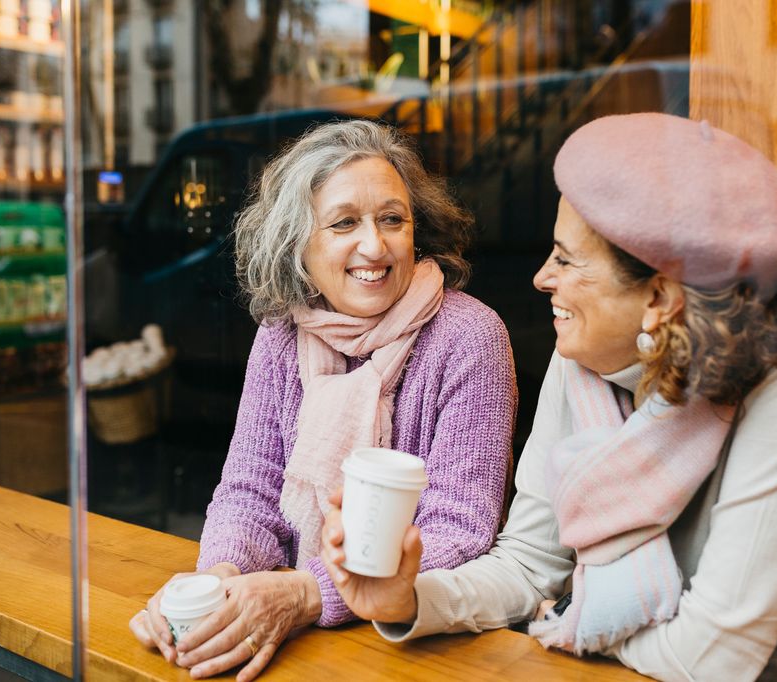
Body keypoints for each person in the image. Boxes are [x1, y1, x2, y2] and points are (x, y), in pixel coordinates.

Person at [320, 113, 777, 680]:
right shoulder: (584, 356)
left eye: (565, 259)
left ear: (660, 296)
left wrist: (572, 623)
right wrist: (408, 600)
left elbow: (714, 657)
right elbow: (528, 565)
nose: (542, 278)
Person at [128, 119, 518, 680]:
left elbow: (460, 529)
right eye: (343, 223)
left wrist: (307, 594)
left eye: (392, 219)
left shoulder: (470, 337)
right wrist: (219, 581)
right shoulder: (282, 333)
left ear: (417, 229)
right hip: (293, 642)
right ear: (298, 245)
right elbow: (250, 488)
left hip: (416, 647)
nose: (374, 246)